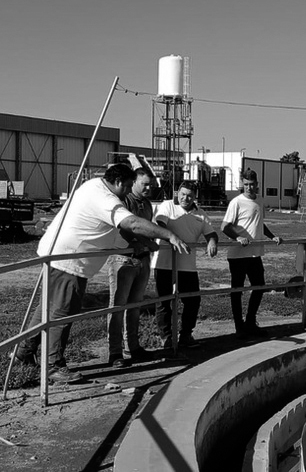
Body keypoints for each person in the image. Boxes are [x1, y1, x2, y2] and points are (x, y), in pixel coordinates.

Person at [14, 164, 189, 383]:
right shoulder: (105, 198)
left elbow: (111, 229)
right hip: (69, 260)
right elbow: (131, 223)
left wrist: (138, 243)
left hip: (60, 255)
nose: (127, 191)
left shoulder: (92, 186)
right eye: (126, 186)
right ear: (118, 182)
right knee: (62, 312)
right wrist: (169, 236)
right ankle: (53, 365)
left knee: (46, 310)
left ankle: (23, 353)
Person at [153, 181, 218, 349]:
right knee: (164, 301)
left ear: (195, 196)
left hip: (187, 265)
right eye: (182, 194)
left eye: (189, 195)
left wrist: (211, 242)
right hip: (164, 262)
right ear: (177, 192)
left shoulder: (201, 214)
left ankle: (186, 333)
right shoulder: (168, 206)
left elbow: (211, 233)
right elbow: (160, 224)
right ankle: (166, 337)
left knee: (192, 300)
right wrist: (172, 238)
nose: (185, 198)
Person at [221, 169, 281, 339]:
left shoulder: (260, 201)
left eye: (252, 184)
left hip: (255, 254)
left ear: (257, 184)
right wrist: (238, 237)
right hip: (238, 255)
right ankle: (239, 326)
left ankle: (250, 322)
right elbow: (224, 226)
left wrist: (272, 236)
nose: (249, 187)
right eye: (246, 184)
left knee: (259, 286)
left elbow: (260, 224)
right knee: (237, 290)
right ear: (242, 184)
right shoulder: (236, 202)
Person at [108, 167, 158, 368]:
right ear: (134, 182)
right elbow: (121, 227)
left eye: (151, 185)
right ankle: (115, 352)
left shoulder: (146, 204)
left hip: (143, 259)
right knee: (118, 306)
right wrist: (139, 240)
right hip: (123, 259)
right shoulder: (124, 201)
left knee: (135, 305)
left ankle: (133, 346)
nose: (148, 188)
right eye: (144, 184)